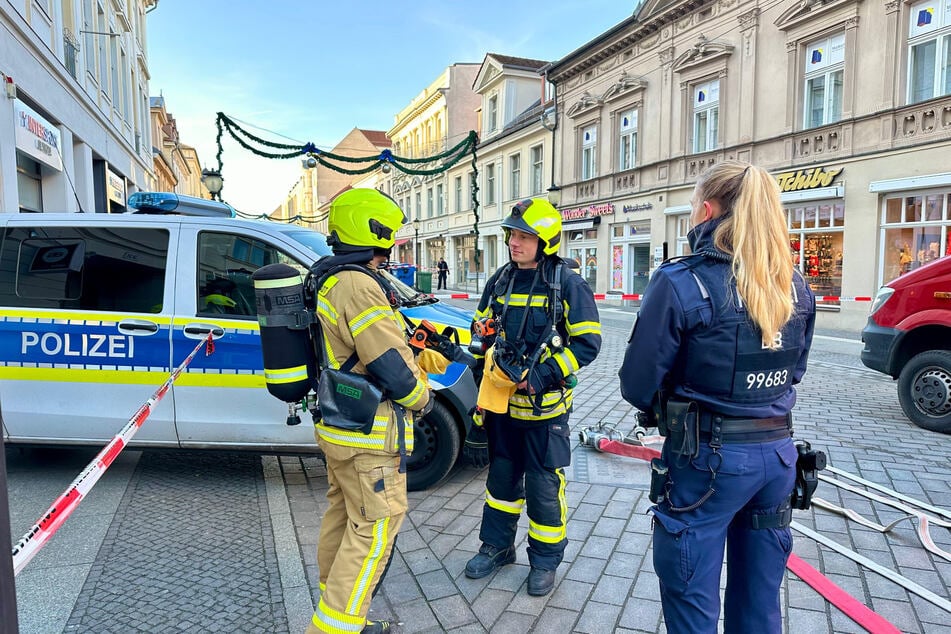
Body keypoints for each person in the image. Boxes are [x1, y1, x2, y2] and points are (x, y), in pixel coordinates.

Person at [618, 161, 816, 633]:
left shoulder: (682, 281)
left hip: (705, 465)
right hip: (777, 459)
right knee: (760, 600)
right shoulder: (794, 284)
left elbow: (636, 383)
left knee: (691, 601)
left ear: (707, 210)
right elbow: (796, 372)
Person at [306, 188, 432, 634]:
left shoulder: (331, 276)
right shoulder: (359, 284)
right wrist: (423, 398)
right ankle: (337, 627)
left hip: (340, 428)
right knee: (375, 531)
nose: (392, 243)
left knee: (343, 519)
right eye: (389, 234)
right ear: (373, 230)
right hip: (369, 437)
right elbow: (391, 367)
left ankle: (336, 607)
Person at [461, 197, 602, 596]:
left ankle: (544, 561)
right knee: (501, 479)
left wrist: (542, 374)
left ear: (546, 240)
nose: (515, 243)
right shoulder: (501, 279)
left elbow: (589, 343)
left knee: (543, 487)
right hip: (503, 405)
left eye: (525, 236)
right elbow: (479, 324)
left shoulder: (567, 283)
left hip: (545, 410)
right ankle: (497, 547)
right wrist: (482, 340)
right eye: (513, 235)